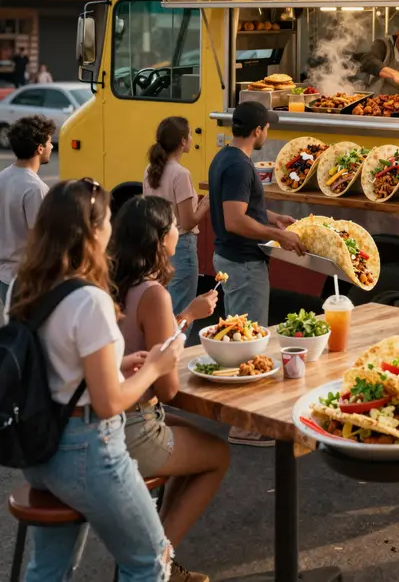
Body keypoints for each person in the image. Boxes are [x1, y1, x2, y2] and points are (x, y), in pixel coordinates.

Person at [5, 179, 184, 580]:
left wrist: (117, 363)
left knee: (49, 569)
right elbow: (109, 403)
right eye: (107, 221)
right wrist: (155, 366)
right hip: (88, 450)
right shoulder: (91, 299)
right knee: (150, 560)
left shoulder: (24, 285)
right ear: (93, 232)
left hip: (40, 448)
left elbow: (54, 362)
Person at [110, 195, 228, 582]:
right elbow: (170, 387)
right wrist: (186, 319)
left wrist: (187, 315)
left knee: (194, 438)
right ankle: (155, 561)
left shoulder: (111, 282)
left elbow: (146, 342)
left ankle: (159, 556)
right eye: (176, 226)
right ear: (161, 238)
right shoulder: (154, 293)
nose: (182, 230)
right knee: (218, 455)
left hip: (107, 421)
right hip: (135, 426)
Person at [208, 100, 303, 447]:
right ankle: (244, 426)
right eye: (267, 127)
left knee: (239, 340)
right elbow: (234, 220)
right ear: (258, 130)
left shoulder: (226, 157)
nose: (269, 132)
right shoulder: (239, 166)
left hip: (232, 259)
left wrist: (273, 218)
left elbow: (246, 207)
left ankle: (234, 415)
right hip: (244, 263)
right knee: (247, 344)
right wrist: (280, 236)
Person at [144, 117, 210, 318]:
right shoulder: (181, 174)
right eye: (189, 134)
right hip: (181, 247)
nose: (192, 138)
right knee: (182, 312)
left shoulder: (150, 170)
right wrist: (206, 203)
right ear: (182, 141)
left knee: (163, 309)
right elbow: (188, 222)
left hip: (157, 245)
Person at [0, 115, 55, 317]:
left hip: (4, 274)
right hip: (25, 278)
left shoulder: (4, 176)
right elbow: (39, 239)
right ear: (39, 148)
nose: (51, 146)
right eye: (49, 142)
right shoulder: (35, 188)